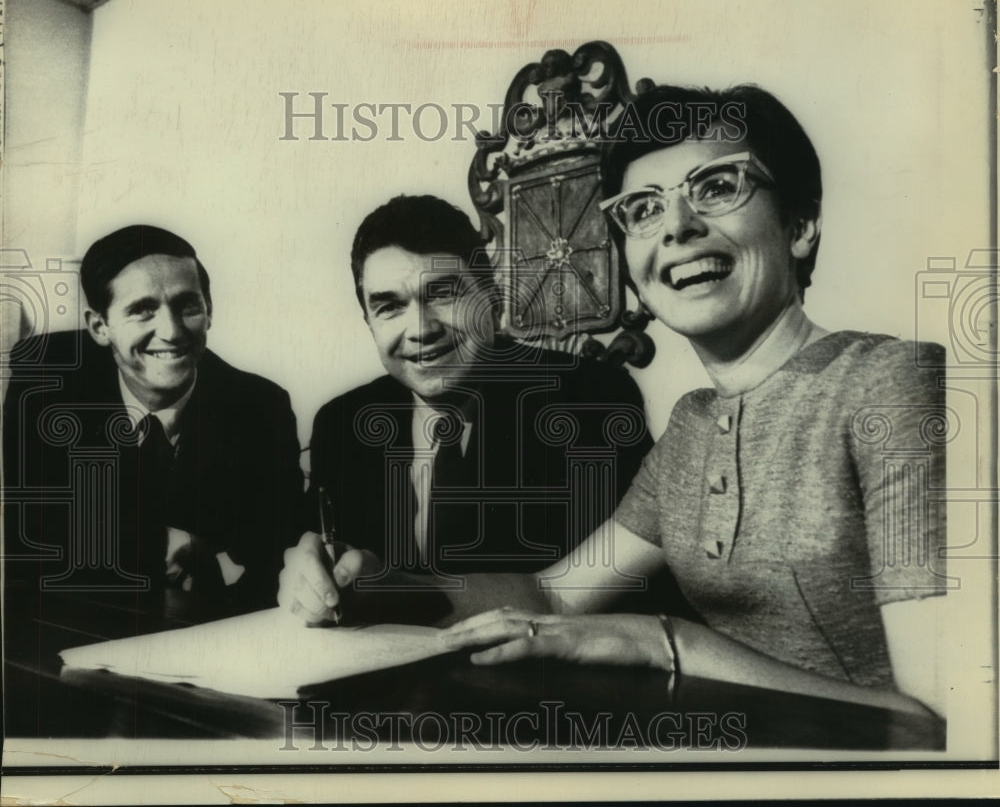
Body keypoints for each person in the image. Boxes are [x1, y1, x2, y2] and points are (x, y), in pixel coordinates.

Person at [357, 86, 946, 719]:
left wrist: (666, 643)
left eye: (718, 187)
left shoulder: (894, 383)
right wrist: (378, 584)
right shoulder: (692, 427)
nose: (676, 227)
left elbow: (944, 724)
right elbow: (552, 599)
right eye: (642, 209)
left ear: (800, 226)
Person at [278, 195, 655, 618]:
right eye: (389, 307)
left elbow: (619, 593)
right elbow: (317, 562)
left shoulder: (592, 400)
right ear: (368, 322)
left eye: (442, 293)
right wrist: (311, 575)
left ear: (491, 298)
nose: (420, 329)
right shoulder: (342, 423)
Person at [3, 224, 306, 607]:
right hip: (75, 618)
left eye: (187, 306)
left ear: (209, 312)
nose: (171, 330)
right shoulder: (46, 378)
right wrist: (162, 545)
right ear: (100, 327)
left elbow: (280, 546)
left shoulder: (261, 405)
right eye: (142, 310)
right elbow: (25, 534)